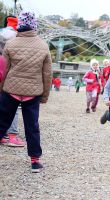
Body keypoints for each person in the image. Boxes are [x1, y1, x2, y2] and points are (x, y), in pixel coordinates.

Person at [0, 11, 52, 173]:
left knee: (2, 122)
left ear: (20, 25)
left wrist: (1, 89)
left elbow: (4, 70)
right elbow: (47, 74)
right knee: (32, 127)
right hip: (32, 92)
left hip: (11, 90)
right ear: (34, 25)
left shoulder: (11, 44)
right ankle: (35, 161)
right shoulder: (43, 46)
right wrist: (44, 95)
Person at [0, 15, 25, 147]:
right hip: (11, 74)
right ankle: (12, 135)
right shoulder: (18, 36)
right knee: (13, 105)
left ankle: (3, 134)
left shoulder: (1, 33)